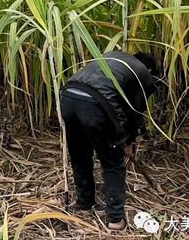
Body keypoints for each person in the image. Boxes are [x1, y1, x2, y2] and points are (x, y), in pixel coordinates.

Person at [60, 51, 157, 230]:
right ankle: (115, 219)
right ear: (149, 69)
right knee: (113, 162)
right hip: (95, 104)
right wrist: (128, 143)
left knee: (80, 156)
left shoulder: (113, 56)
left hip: (68, 96)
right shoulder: (142, 72)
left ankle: (85, 204)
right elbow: (134, 113)